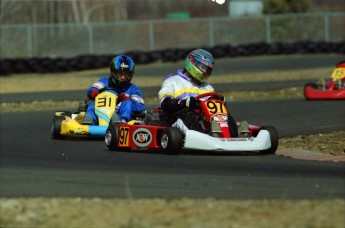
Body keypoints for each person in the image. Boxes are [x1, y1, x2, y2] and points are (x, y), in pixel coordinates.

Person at [158, 48, 247, 137]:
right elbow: (165, 103)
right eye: (203, 67)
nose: (205, 72)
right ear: (192, 62)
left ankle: (234, 134)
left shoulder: (207, 87)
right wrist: (183, 103)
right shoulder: (173, 81)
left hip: (203, 119)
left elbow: (211, 106)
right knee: (187, 114)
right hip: (177, 118)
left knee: (222, 114)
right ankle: (203, 136)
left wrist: (219, 101)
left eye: (207, 70)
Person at [83, 55, 145, 125]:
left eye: (126, 74)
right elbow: (93, 89)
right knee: (92, 103)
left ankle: (122, 122)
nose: (123, 77)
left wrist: (126, 99)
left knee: (128, 103)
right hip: (100, 111)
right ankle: (90, 122)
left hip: (118, 113)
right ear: (114, 72)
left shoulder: (133, 88)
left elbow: (140, 106)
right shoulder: (104, 81)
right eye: (120, 74)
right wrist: (94, 92)